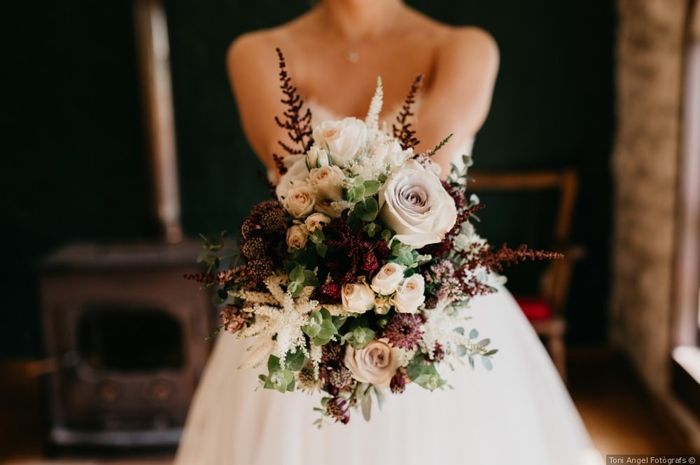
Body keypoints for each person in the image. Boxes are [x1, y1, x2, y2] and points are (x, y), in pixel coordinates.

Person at [175, 1, 601, 464]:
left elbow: (425, 167)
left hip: (435, 304)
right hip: (302, 307)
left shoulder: (463, 49)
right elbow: (295, 173)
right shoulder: (258, 52)